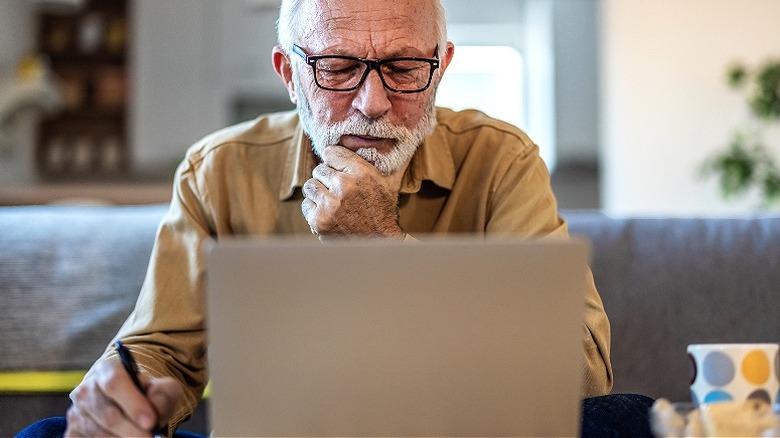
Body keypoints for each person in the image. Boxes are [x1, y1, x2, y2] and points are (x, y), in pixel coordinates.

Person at [17, 0, 655, 436]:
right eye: (338, 68)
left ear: (442, 68)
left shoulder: (501, 160)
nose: (373, 104)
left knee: (634, 418)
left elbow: (580, 372)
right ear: (288, 74)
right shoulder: (219, 170)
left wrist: (381, 247)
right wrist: (125, 399)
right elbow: (160, 352)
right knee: (51, 433)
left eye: (404, 68)